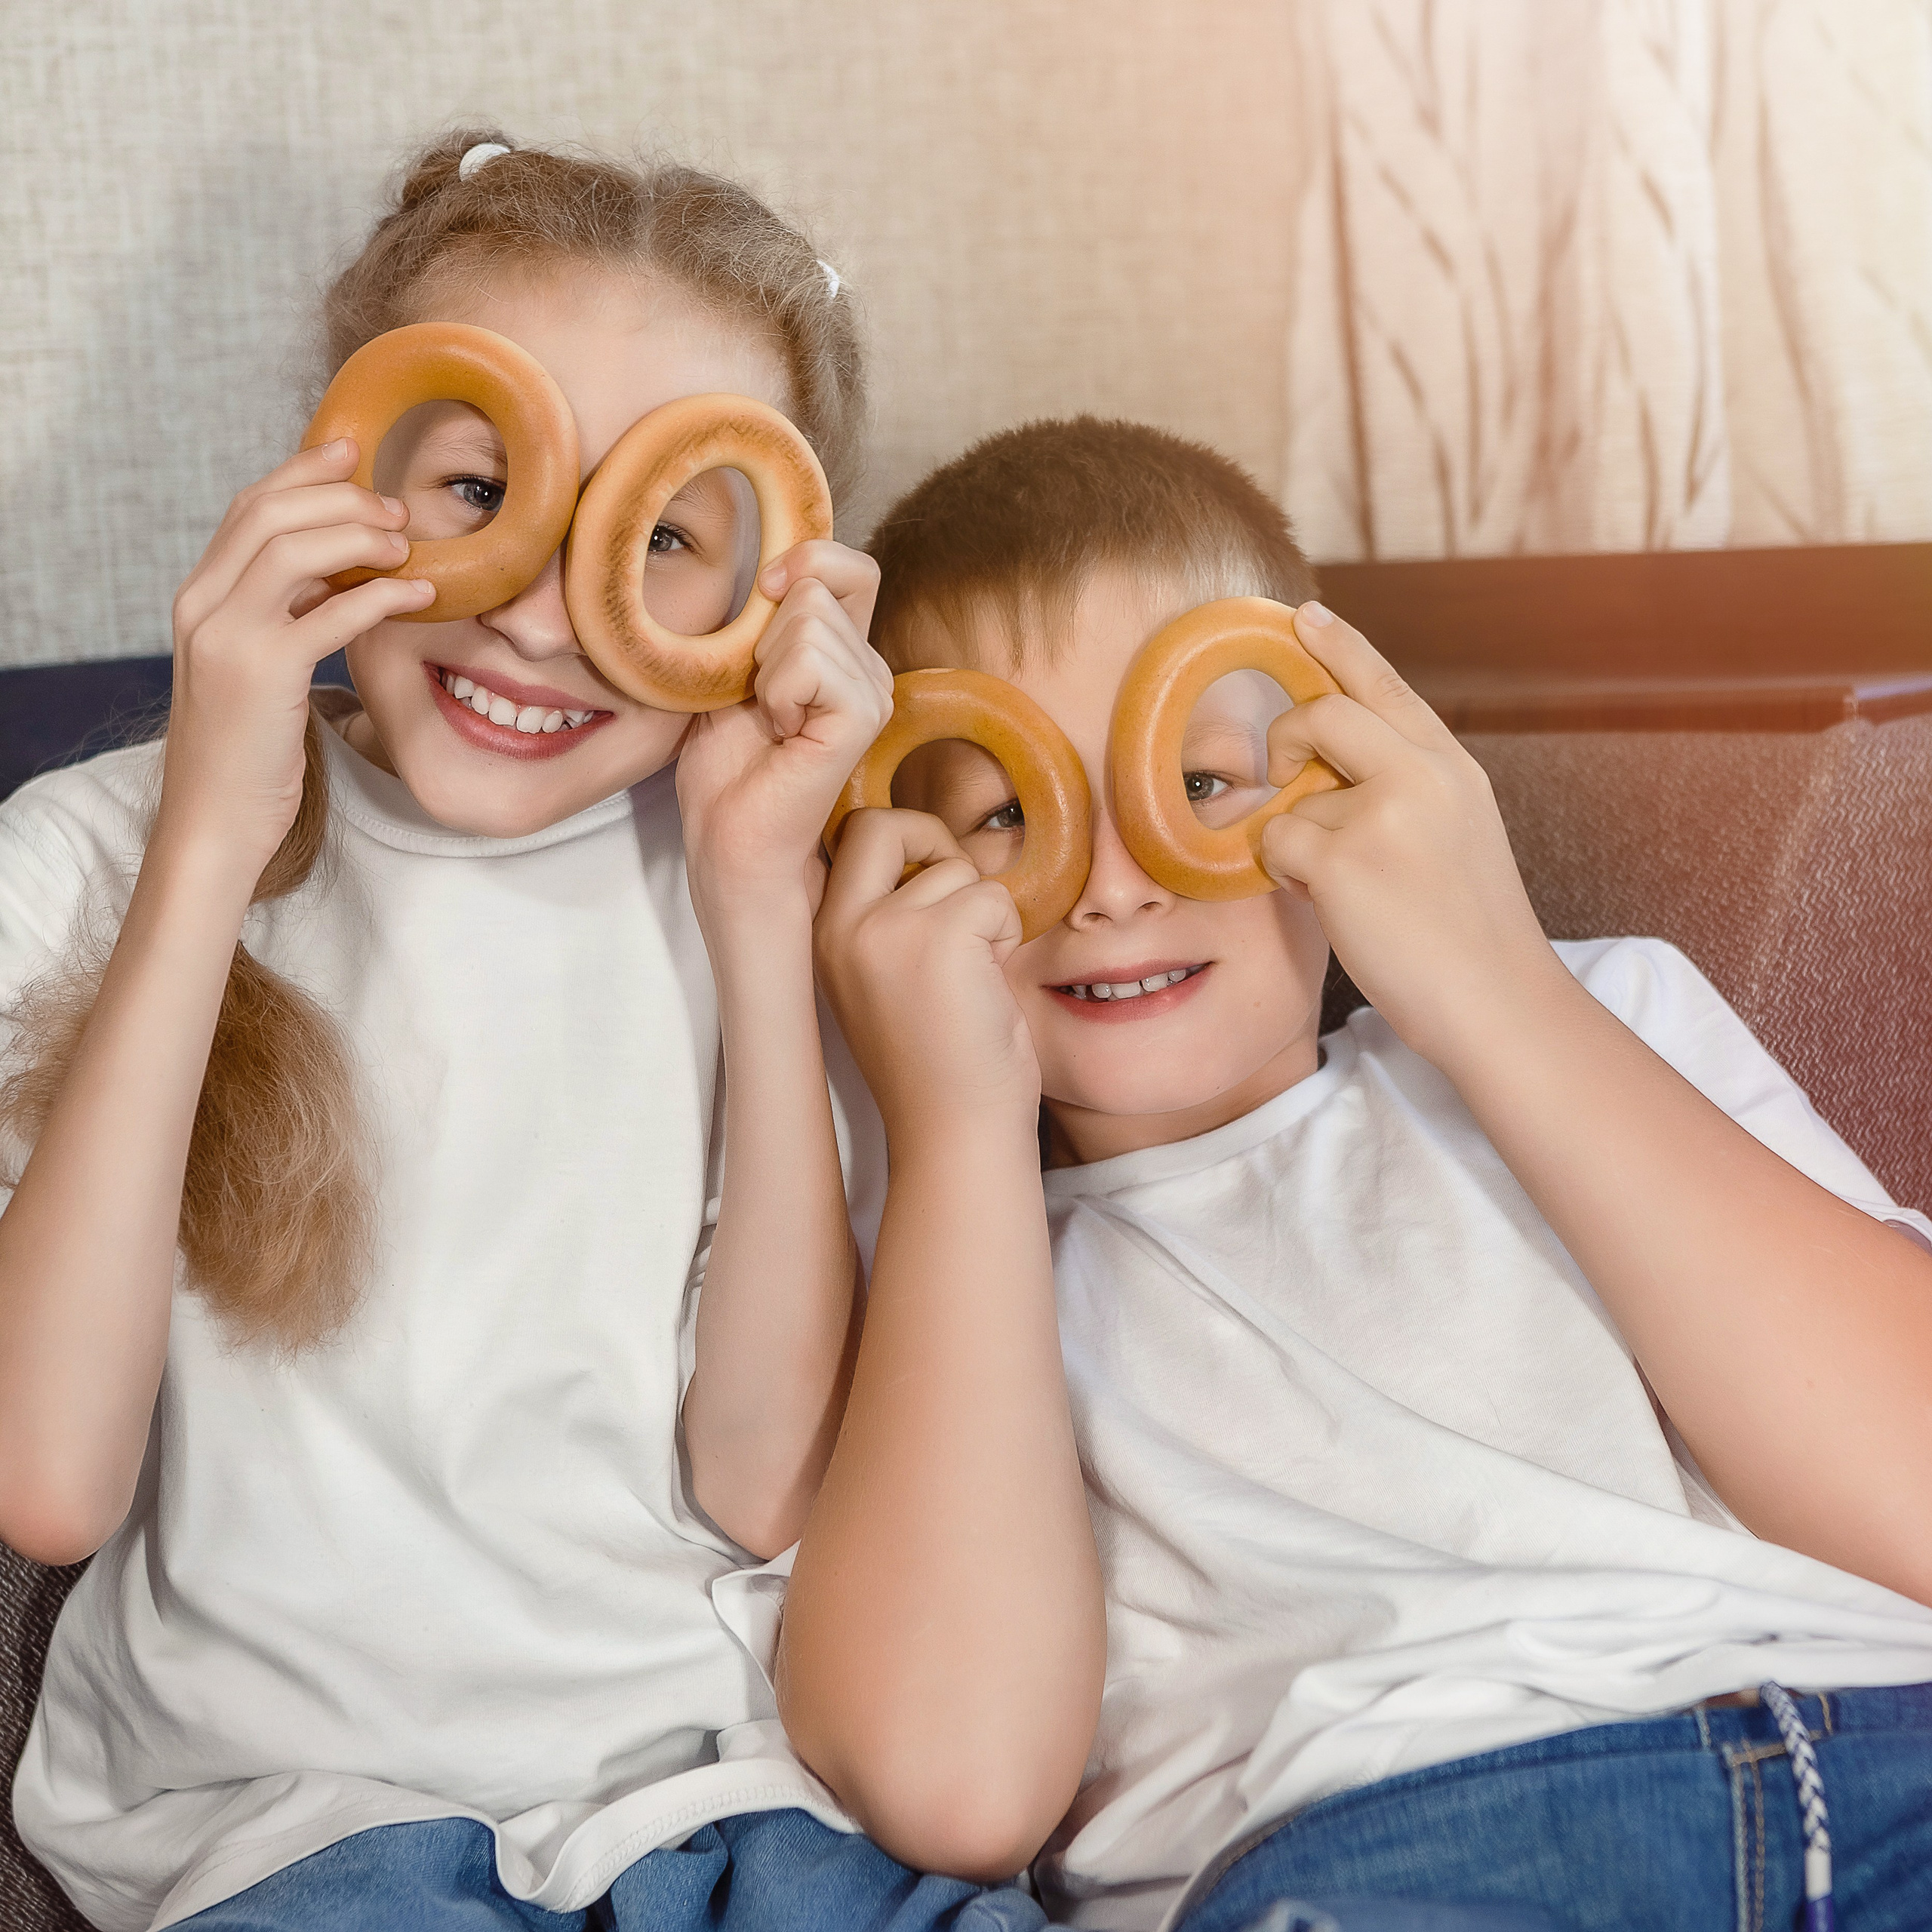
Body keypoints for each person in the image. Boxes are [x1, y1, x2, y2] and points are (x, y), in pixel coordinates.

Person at [0, 134, 1037, 1931]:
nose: (548, 615)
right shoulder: (84, 858)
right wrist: (209, 833)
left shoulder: (800, 893)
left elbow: (761, 1476)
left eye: (661, 538)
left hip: (734, 1814)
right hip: (293, 1833)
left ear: (773, 593)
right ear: (345, 464)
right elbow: (46, 1476)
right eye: (483, 488)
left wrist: (748, 899)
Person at [783, 417, 1932, 1932]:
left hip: (1874, 1739)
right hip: (1394, 1842)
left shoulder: (1590, 1020)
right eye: (1009, 810)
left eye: (1194, 781)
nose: (1114, 880)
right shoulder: (931, 1264)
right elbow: (952, 1781)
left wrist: (1487, 978)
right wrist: (947, 1134)